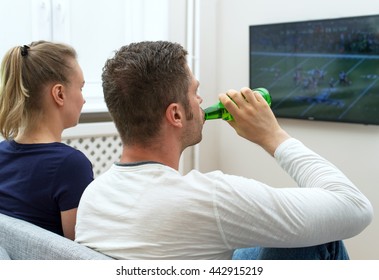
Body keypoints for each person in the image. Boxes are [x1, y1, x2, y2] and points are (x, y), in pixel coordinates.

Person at [75, 41, 373, 259]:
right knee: (323, 239)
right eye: (194, 92)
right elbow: (354, 207)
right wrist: (273, 136)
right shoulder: (211, 199)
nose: (201, 100)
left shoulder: (93, 195)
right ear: (176, 115)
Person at [0, 41, 93, 240]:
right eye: (81, 88)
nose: (83, 100)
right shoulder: (72, 165)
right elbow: (78, 253)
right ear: (59, 93)